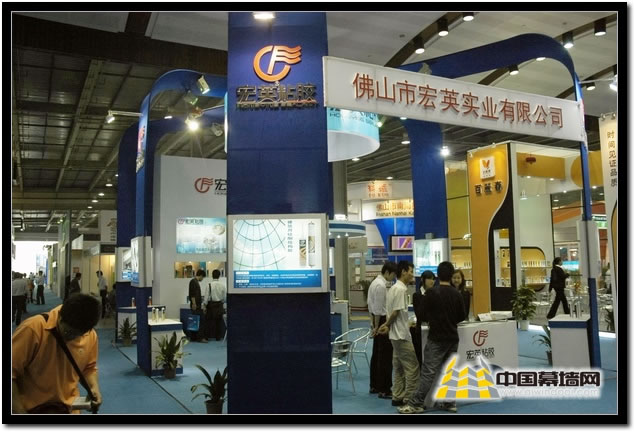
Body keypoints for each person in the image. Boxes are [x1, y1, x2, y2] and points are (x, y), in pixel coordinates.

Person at [12, 294, 103, 414]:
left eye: (77, 334)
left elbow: (88, 368)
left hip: (68, 409)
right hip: (33, 410)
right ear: (60, 317)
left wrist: (94, 387)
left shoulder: (90, 336)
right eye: (68, 332)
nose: (71, 338)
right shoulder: (32, 329)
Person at [399, 261, 467, 414]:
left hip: (436, 338)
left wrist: (433, 320)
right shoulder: (457, 294)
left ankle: (416, 403)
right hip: (452, 338)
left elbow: (421, 314)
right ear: (451, 275)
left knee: (428, 373)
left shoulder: (431, 293)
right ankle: (449, 402)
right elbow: (462, 315)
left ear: (438, 275)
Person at [378, 261, 420, 407]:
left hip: (395, 336)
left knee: (399, 368)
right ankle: (409, 399)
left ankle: (397, 396)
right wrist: (387, 325)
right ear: (403, 272)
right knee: (412, 368)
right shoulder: (401, 289)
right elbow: (396, 312)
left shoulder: (393, 288)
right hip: (401, 335)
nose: (412, 275)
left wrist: (388, 325)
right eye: (411, 271)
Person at [367, 261, 397, 399]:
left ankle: (375, 385)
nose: (393, 278)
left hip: (376, 320)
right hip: (382, 321)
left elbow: (370, 306)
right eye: (393, 275)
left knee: (377, 355)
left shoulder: (374, 283)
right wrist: (377, 327)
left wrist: (373, 324)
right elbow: (378, 309)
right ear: (387, 272)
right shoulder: (381, 285)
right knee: (385, 357)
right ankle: (384, 389)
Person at [411, 270, 436, 367]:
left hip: (433, 331)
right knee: (421, 357)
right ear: (423, 280)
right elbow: (419, 314)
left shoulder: (436, 294)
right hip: (421, 331)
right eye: (429, 278)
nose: (432, 281)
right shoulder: (417, 295)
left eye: (433, 279)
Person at [205, 269, 226, 341]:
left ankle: (207, 337)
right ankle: (218, 337)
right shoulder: (222, 285)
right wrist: (221, 301)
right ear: (219, 276)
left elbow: (206, 297)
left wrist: (205, 304)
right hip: (219, 305)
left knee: (208, 322)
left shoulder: (209, 285)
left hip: (211, 305)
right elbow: (224, 297)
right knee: (218, 322)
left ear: (212, 275)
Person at [189, 269, 208, 343]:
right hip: (196, 306)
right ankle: (200, 338)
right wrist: (194, 304)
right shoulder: (193, 282)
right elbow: (192, 294)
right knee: (201, 321)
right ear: (200, 275)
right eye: (203, 277)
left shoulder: (195, 282)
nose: (202, 279)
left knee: (195, 321)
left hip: (197, 305)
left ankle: (193, 337)